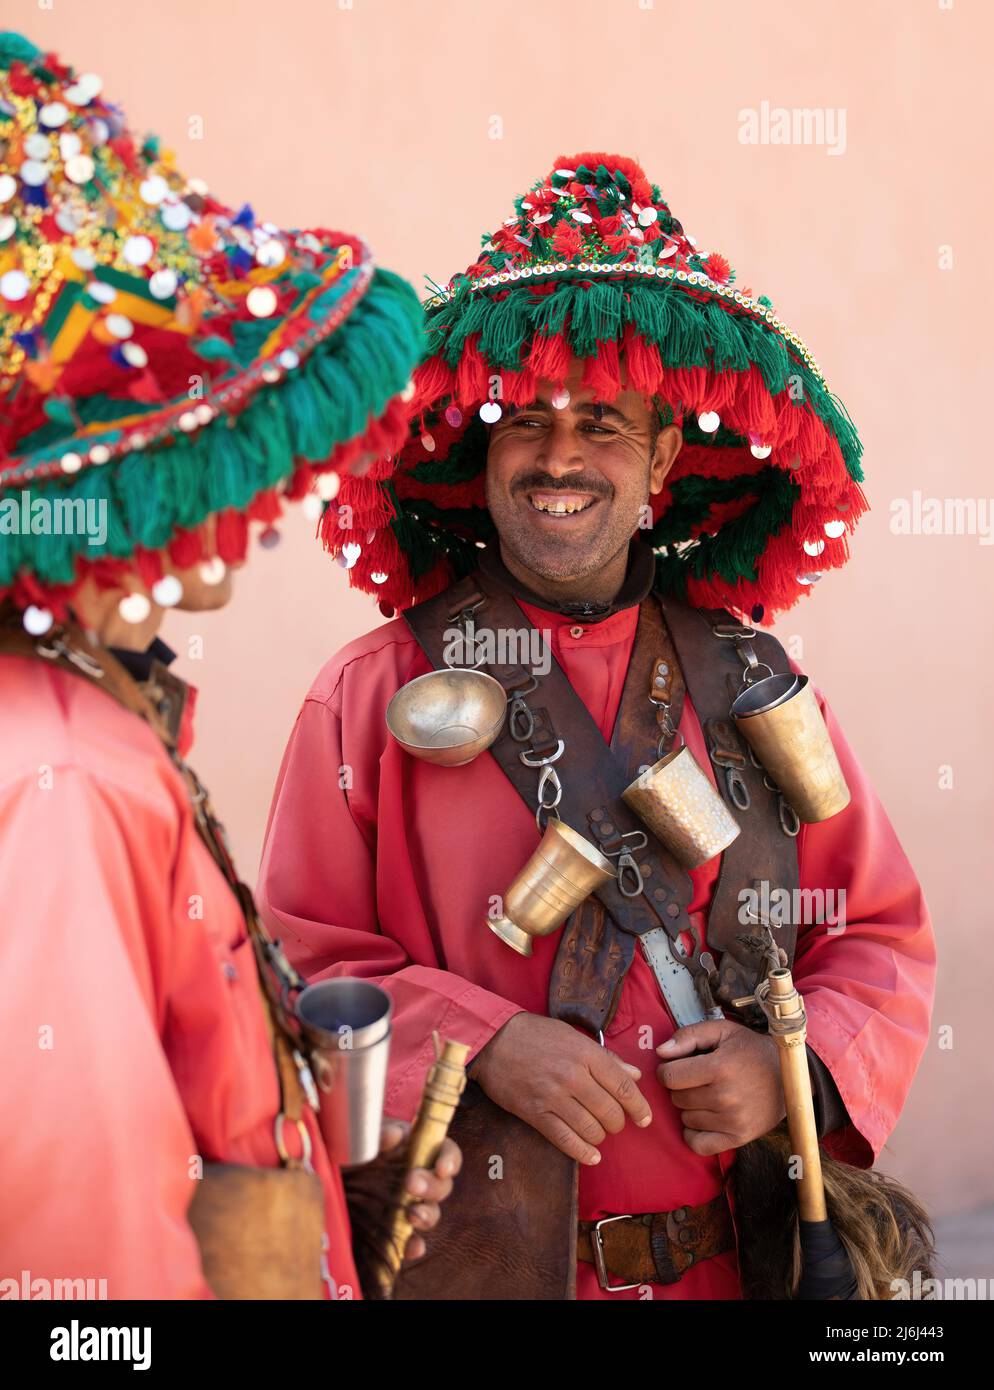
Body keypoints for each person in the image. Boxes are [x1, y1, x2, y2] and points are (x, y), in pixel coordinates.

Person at [258, 152, 936, 1300]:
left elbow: (873, 937)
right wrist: (481, 1043)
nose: (560, 456)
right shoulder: (369, 693)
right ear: (483, 458)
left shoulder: (761, 686)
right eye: (525, 422)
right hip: (469, 1272)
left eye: (601, 425)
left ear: (662, 460)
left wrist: (793, 1072)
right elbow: (298, 969)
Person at [0, 31, 458, 1301]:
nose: (254, 499)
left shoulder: (75, 717)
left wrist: (315, 1207)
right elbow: (78, 1269)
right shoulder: (58, 775)